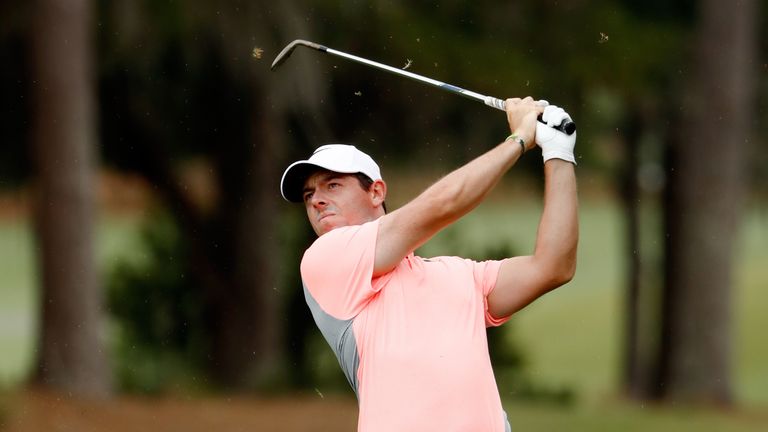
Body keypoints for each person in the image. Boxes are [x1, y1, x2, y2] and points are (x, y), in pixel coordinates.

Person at [279, 97, 578, 432]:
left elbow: (554, 267)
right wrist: (520, 138)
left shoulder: (461, 275)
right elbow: (443, 205)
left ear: (376, 192)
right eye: (308, 195)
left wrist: (559, 154)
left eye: (332, 185)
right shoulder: (326, 260)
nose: (317, 200)